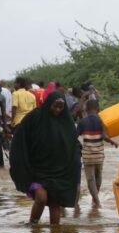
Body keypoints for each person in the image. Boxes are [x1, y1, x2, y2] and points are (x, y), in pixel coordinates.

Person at [10, 92, 79, 225]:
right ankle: (33, 226)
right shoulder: (35, 117)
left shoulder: (67, 122)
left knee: (55, 204)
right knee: (41, 198)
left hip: (59, 172)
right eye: (55, 106)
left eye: (60, 107)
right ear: (48, 104)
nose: (57, 110)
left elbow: (73, 146)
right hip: (37, 170)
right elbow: (20, 137)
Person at [77, 99, 118, 207]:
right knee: (98, 177)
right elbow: (104, 136)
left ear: (86, 109)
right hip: (99, 155)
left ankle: (96, 201)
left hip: (87, 155)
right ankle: (95, 200)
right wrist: (112, 142)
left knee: (90, 179)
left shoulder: (82, 122)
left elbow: (75, 137)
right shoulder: (101, 121)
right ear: (98, 109)